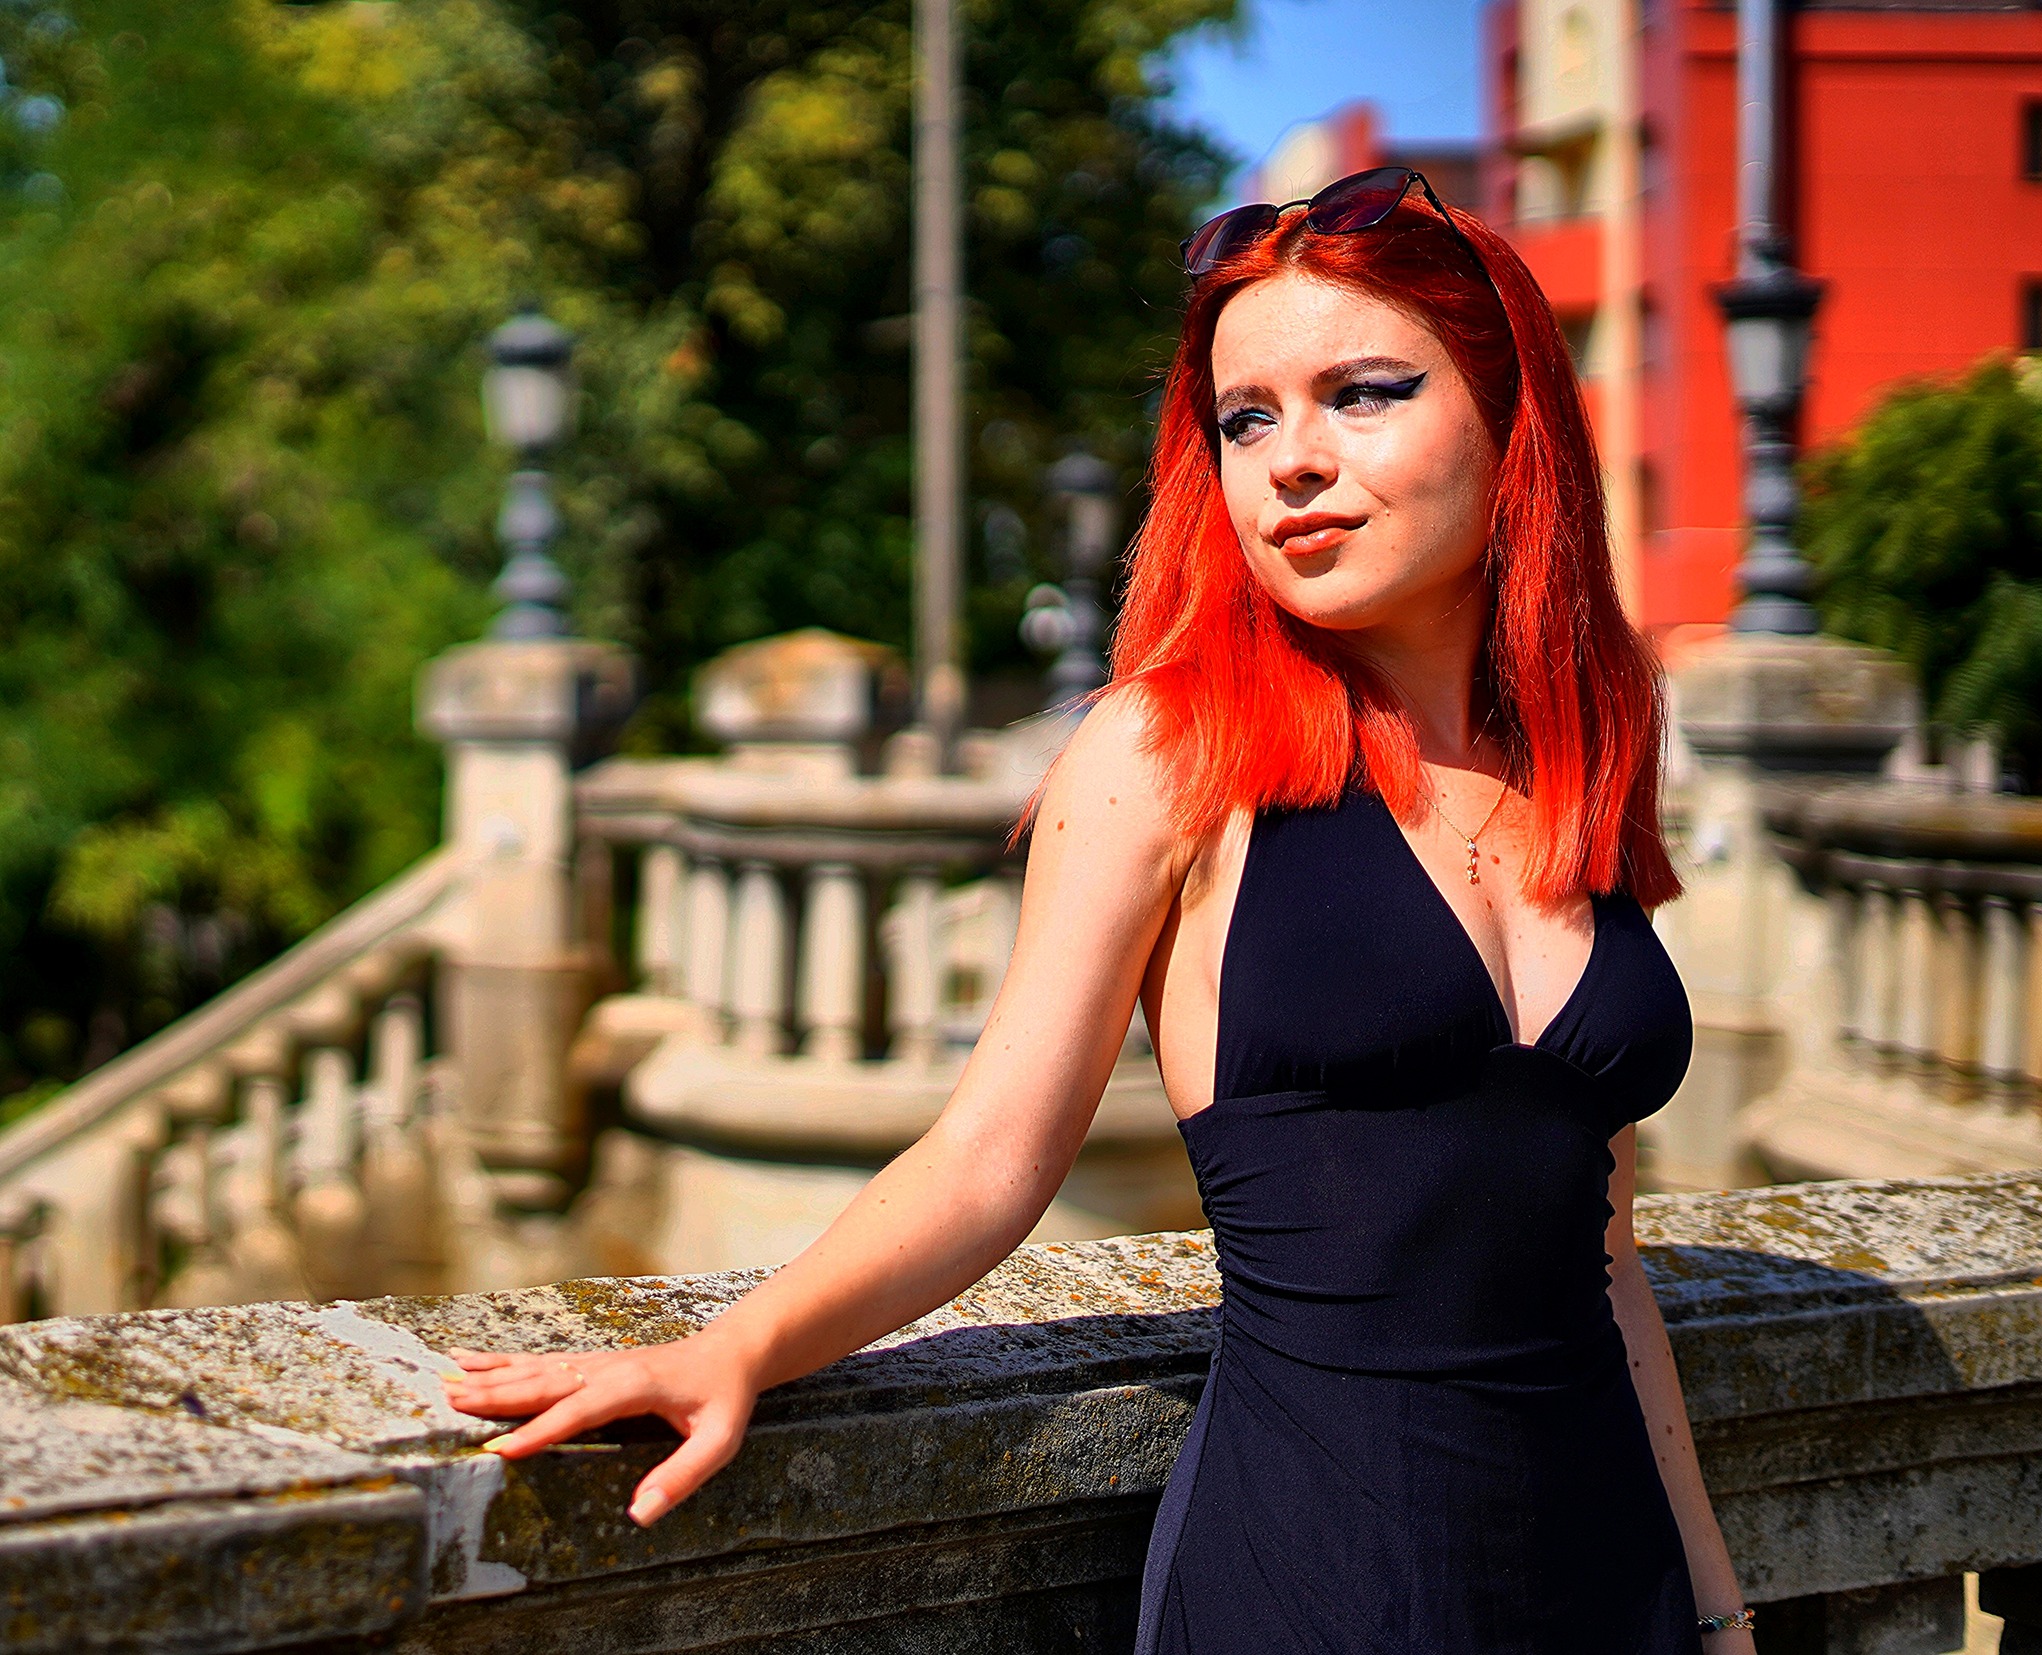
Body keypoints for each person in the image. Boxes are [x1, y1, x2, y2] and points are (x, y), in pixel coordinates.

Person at [442, 167, 1758, 1654]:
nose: (1292, 461)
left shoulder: (1578, 764)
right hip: (1319, 1584)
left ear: (1511, 418)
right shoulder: (1169, 752)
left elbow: (1605, 1261)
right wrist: (736, 1346)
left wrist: (1715, 1610)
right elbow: (992, 1156)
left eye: (1362, 395)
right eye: (1245, 419)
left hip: (1611, 1591)